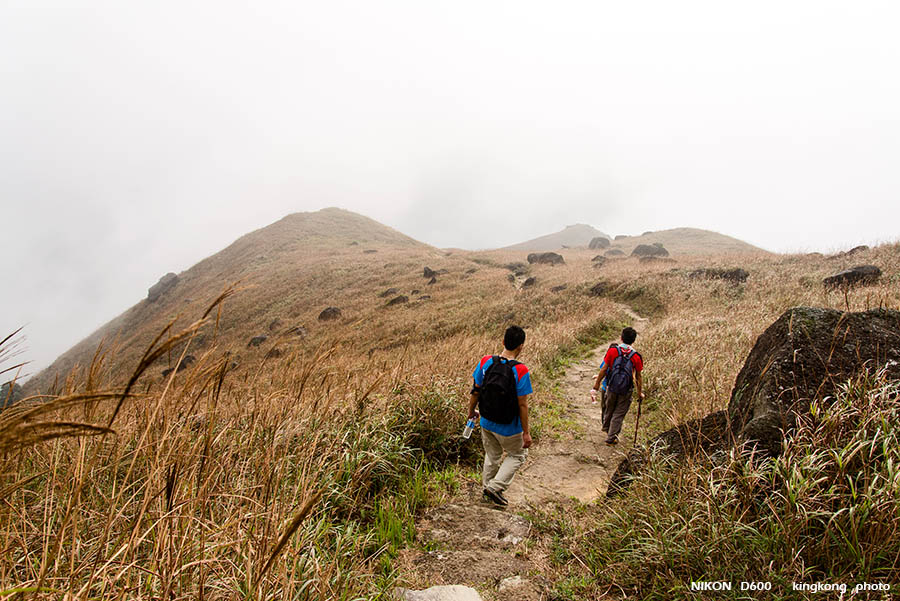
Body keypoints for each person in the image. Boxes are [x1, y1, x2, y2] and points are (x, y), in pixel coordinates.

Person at [466, 325, 533, 506]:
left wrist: (471, 412)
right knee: (518, 455)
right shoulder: (521, 370)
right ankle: (494, 488)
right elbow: (522, 404)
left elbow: (475, 391)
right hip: (510, 426)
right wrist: (526, 432)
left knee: (492, 454)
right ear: (521, 346)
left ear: (503, 342)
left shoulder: (485, 362)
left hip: (486, 420)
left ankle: (487, 490)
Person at [590, 326, 644, 445]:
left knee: (609, 408)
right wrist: (640, 392)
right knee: (619, 413)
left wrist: (597, 384)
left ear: (621, 338)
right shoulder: (636, 356)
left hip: (611, 386)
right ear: (633, 341)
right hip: (626, 389)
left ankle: (608, 430)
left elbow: (604, 369)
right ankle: (611, 436)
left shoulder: (613, 351)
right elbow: (638, 376)